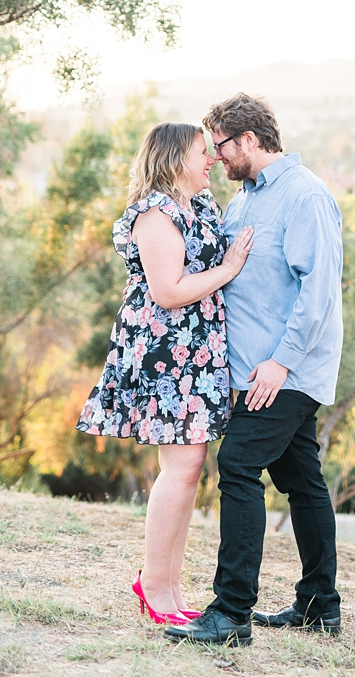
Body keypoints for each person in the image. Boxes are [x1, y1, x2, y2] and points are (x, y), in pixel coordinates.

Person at [166, 93, 345, 647]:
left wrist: (280, 363)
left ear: (248, 140)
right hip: (251, 373)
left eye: (220, 145)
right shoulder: (242, 202)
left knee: (238, 466)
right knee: (301, 479)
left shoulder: (304, 196)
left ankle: (231, 613)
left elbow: (317, 296)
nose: (216, 158)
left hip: (283, 373)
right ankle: (320, 606)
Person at [76, 122, 254, 625]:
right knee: (181, 468)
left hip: (194, 353)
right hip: (165, 352)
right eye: (203, 152)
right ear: (176, 158)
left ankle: (170, 588)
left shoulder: (199, 206)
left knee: (190, 469)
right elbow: (167, 291)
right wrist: (229, 268)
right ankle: (153, 584)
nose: (213, 160)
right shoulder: (157, 212)